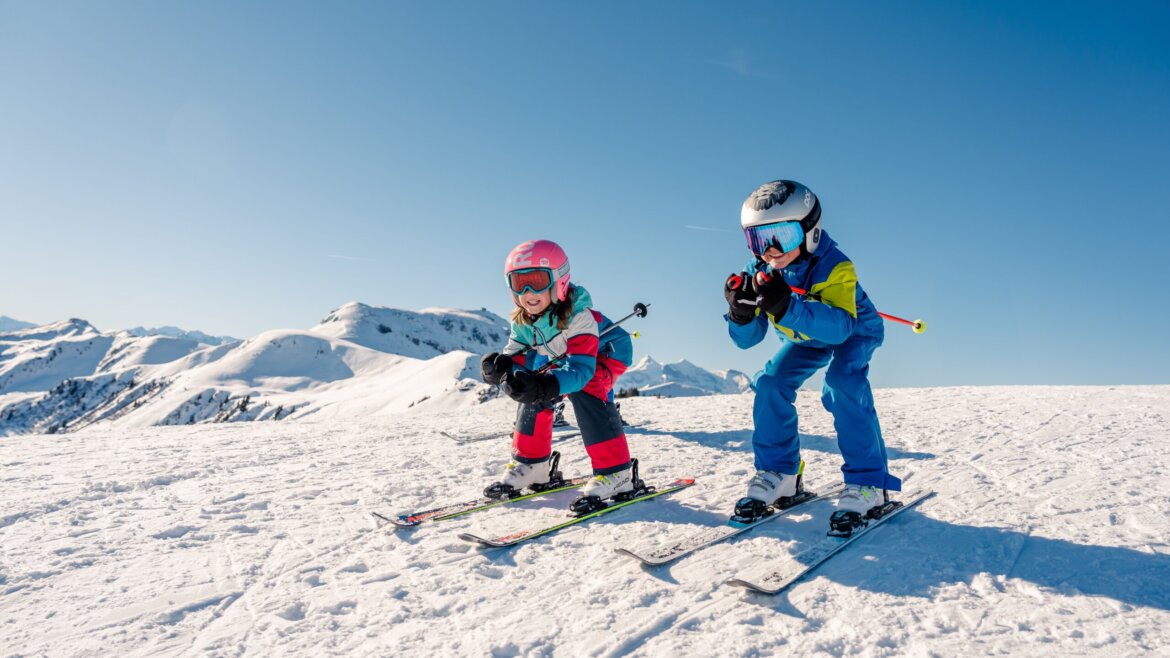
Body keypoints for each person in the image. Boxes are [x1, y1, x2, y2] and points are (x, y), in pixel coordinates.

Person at [723, 180, 901, 524]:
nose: (770, 251)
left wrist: (786, 307)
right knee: (770, 383)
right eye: (758, 240)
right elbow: (747, 340)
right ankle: (780, 473)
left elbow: (839, 328)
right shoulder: (760, 271)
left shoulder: (836, 266)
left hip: (853, 329)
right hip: (806, 335)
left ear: (810, 231)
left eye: (781, 236)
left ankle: (869, 482)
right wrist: (740, 315)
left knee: (842, 384)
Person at [480, 239, 636, 507]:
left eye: (537, 281)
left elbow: (581, 370)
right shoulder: (523, 320)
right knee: (531, 386)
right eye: (519, 283)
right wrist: (500, 370)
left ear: (559, 280)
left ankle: (616, 473)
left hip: (605, 352)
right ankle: (532, 464)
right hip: (562, 354)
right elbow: (518, 357)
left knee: (587, 388)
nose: (528, 292)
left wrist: (546, 385)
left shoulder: (579, 316)